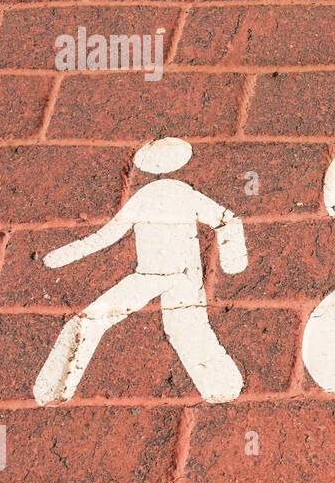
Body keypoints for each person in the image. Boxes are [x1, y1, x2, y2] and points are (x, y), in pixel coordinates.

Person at [32, 137, 247, 404]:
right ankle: (223, 386)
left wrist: (63, 256)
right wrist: (234, 261)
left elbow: (105, 236)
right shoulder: (184, 194)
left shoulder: (144, 197)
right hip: (183, 276)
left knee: (94, 318)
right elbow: (228, 220)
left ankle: (53, 388)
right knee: (188, 328)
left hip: (149, 275)